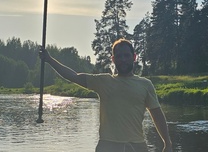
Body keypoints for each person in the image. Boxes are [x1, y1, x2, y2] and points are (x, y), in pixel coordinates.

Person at [39, 38, 172, 152]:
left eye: (126, 55)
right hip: (108, 146)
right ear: (113, 59)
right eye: (119, 56)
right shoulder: (103, 81)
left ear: (134, 57)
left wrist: (167, 142)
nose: (123, 59)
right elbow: (74, 76)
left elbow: (157, 115)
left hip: (137, 146)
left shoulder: (145, 84)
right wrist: (49, 60)